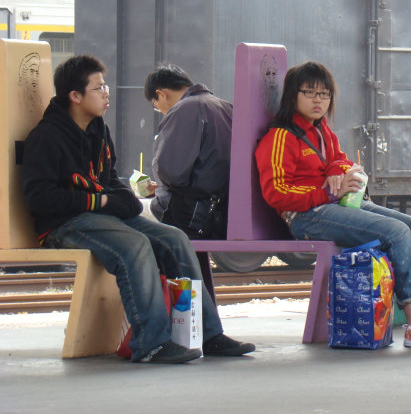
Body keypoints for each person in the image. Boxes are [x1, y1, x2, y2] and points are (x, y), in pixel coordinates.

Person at [22, 55, 255, 363]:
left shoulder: (99, 131)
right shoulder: (47, 137)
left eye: (105, 85)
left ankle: (209, 334)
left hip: (101, 217)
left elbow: (110, 180)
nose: (106, 92)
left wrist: (124, 199)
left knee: (175, 239)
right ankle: (151, 343)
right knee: (136, 245)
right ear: (75, 96)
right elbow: (40, 197)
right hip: (64, 224)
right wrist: (103, 201)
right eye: (98, 87)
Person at [255, 61, 411, 348]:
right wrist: (328, 191)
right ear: (293, 95)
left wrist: (337, 171)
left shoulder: (321, 130)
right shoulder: (280, 136)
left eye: (325, 94)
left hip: (336, 206)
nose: (319, 101)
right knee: (395, 232)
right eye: (310, 93)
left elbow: (339, 158)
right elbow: (277, 192)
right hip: (306, 215)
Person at [144, 64, 232, 239]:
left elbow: (171, 171)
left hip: (190, 214)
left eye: (156, 105)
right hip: (220, 211)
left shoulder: (184, 109)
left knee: (134, 213)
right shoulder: (225, 106)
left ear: (161, 94)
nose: (161, 110)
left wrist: (161, 186)